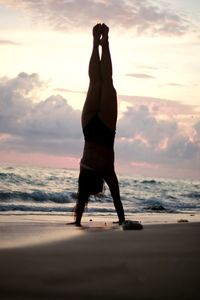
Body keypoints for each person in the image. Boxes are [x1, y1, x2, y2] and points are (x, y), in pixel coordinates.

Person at [73, 23, 125, 226]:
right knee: (94, 82)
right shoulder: (84, 170)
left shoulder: (107, 172)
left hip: (105, 129)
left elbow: (117, 200)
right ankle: (96, 43)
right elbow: (80, 201)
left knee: (107, 81)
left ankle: (106, 43)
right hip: (88, 127)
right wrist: (77, 222)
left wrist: (122, 220)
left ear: (100, 183)